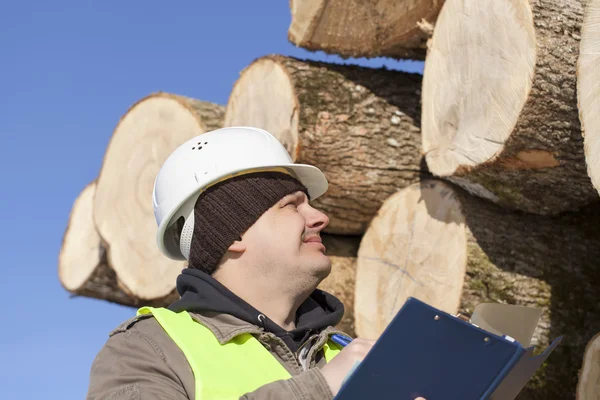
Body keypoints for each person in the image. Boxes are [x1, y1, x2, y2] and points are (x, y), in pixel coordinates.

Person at [86, 126, 380, 400]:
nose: (319, 218)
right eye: (292, 205)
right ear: (233, 232)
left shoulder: (342, 349)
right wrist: (318, 389)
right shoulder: (148, 348)